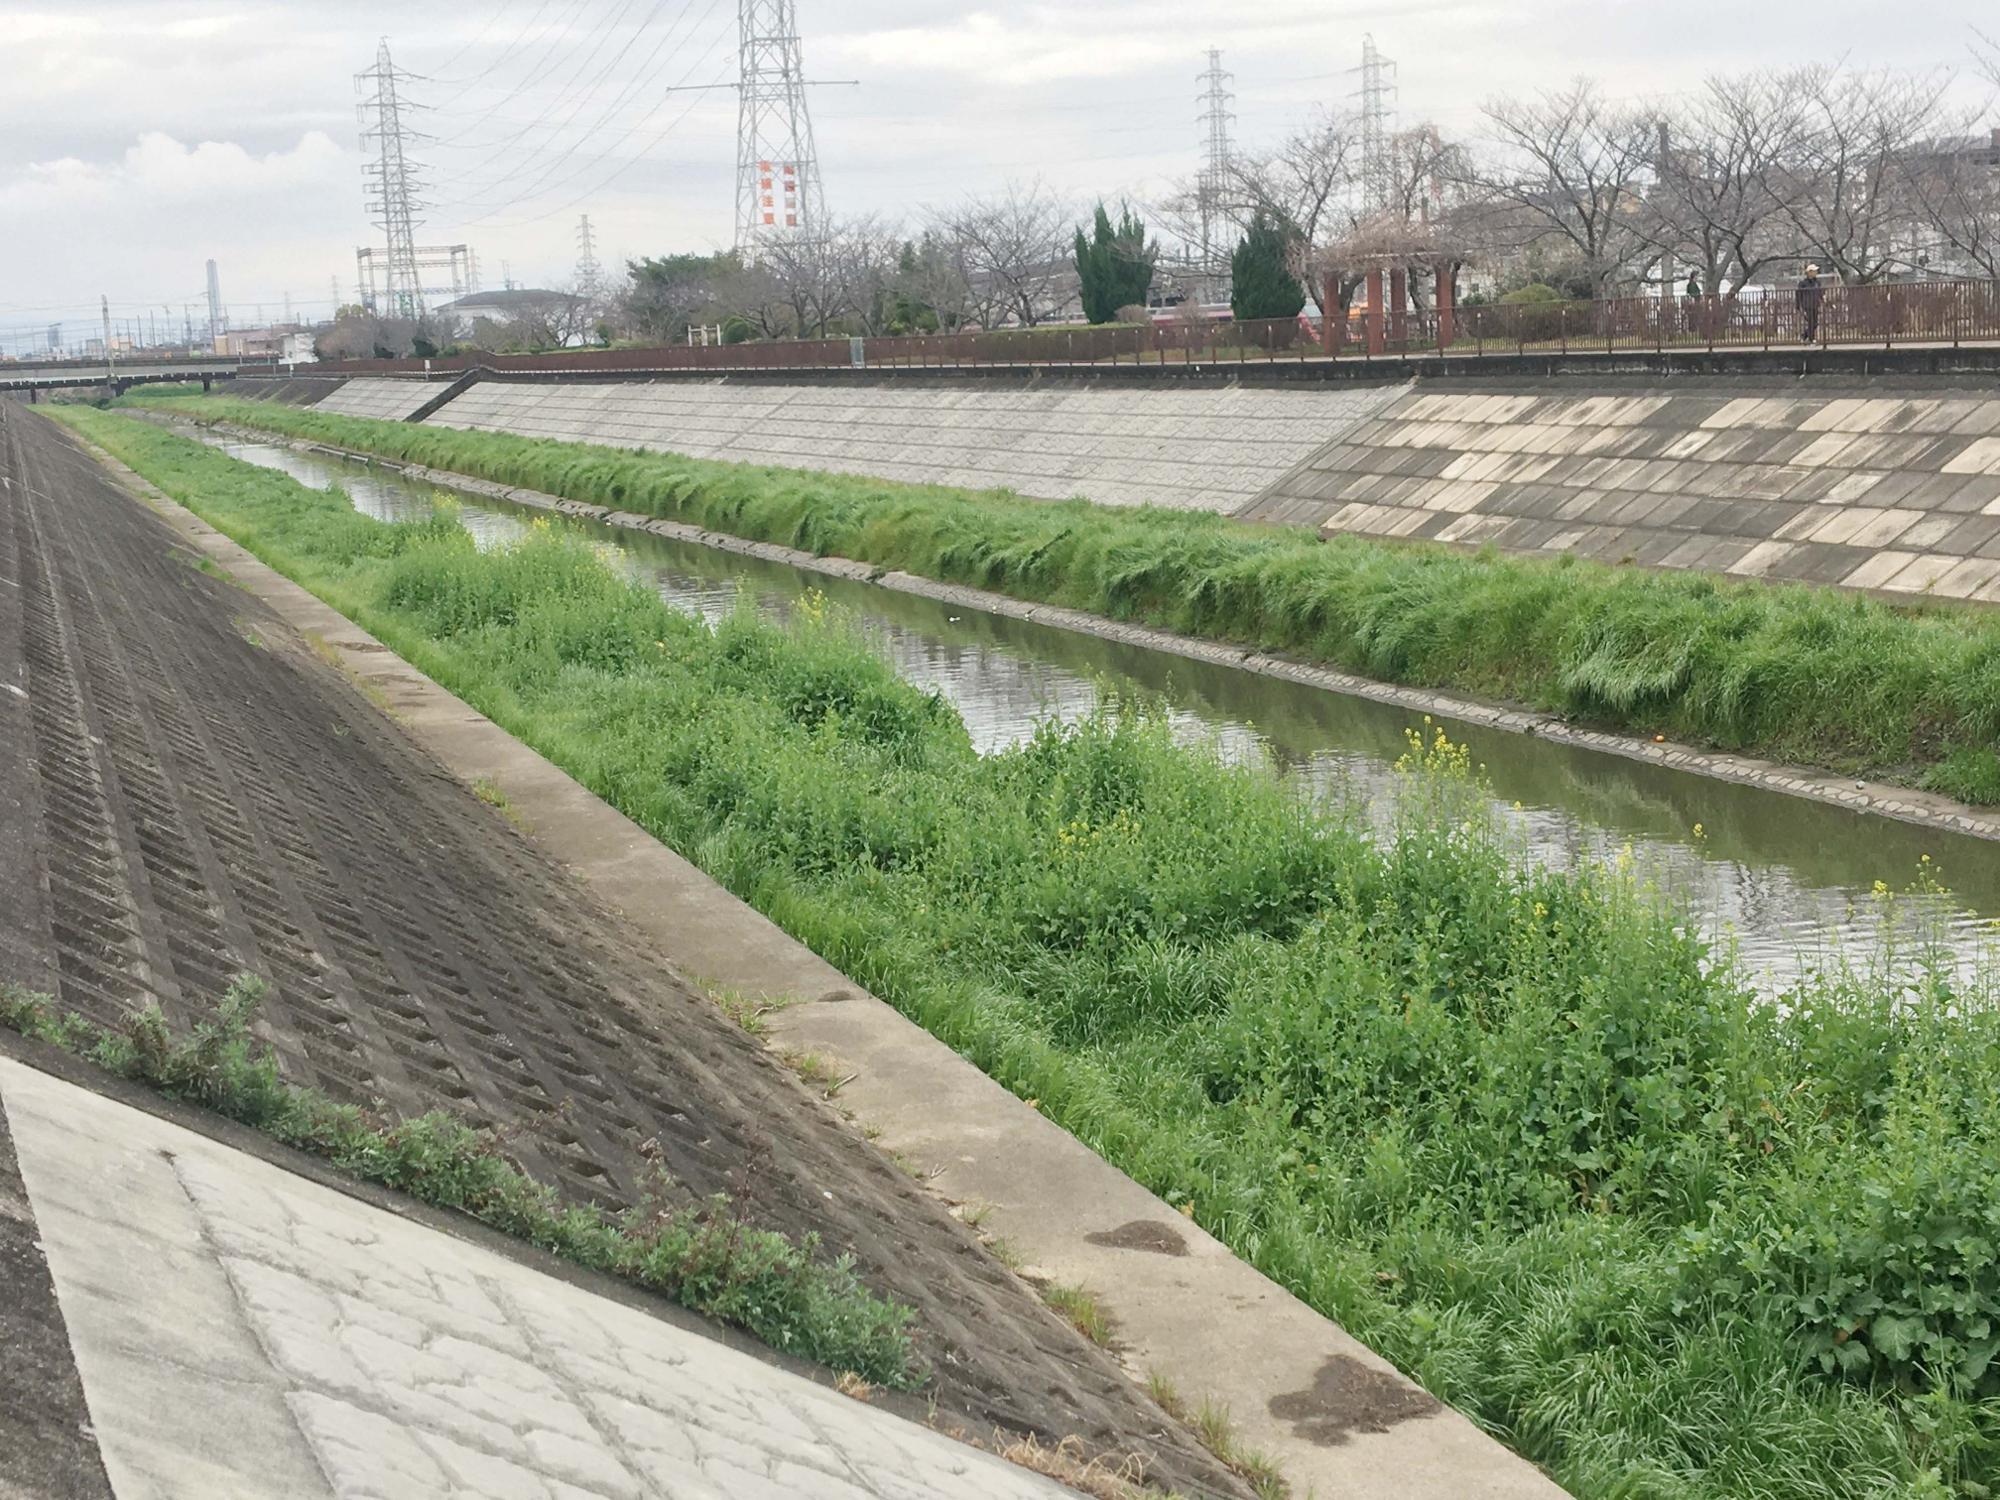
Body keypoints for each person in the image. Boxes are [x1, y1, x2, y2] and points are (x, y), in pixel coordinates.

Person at [1796, 263, 1825, 343]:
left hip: (1815, 305)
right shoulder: (1803, 283)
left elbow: (1820, 293)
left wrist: (1823, 300)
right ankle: (1811, 339)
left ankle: (1804, 336)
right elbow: (1798, 294)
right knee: (1811, 322)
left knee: (1815, 323)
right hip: (1807, 305)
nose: (1816, 272)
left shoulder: (1817, 282)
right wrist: (1798, 306)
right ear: (1809, 272)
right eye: (1814, 271)